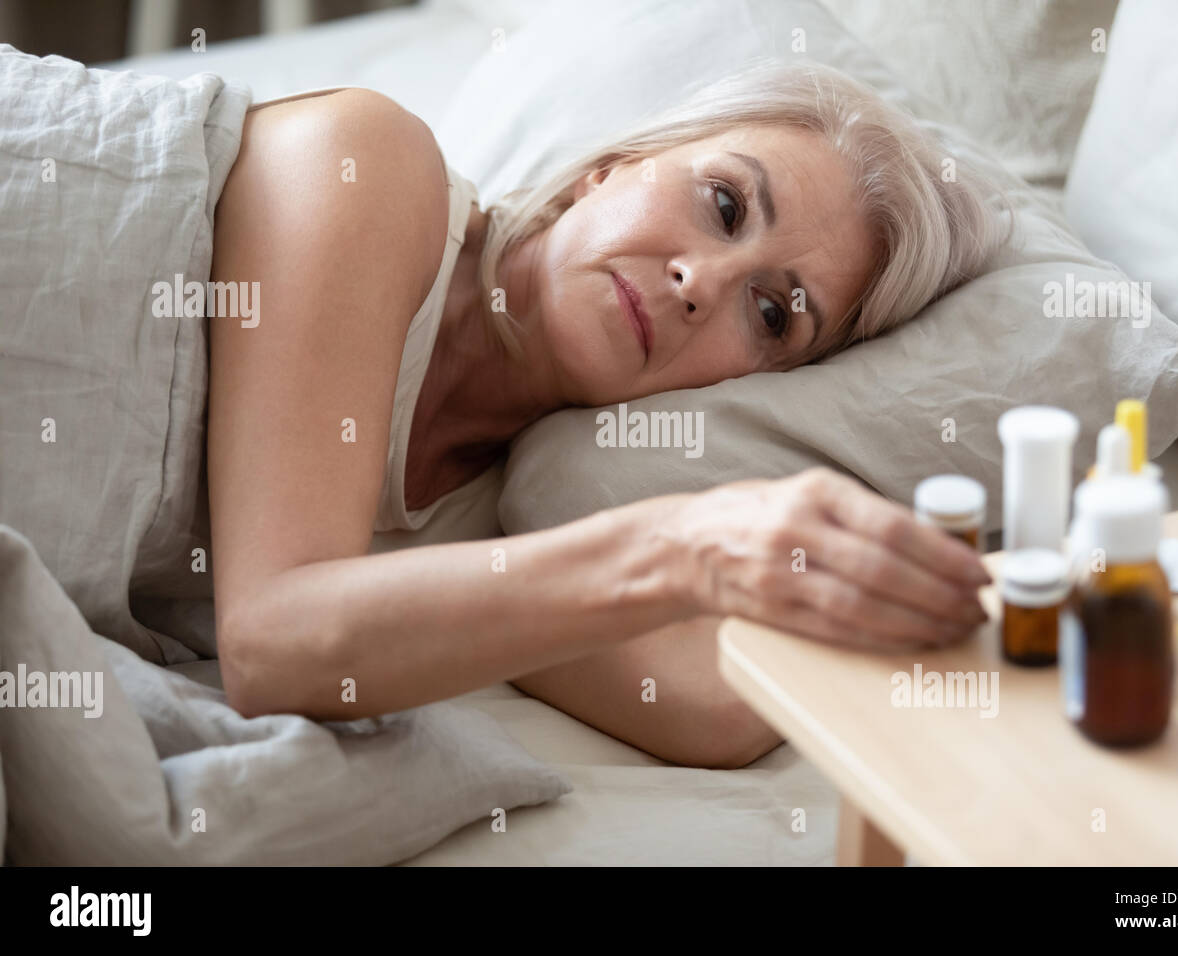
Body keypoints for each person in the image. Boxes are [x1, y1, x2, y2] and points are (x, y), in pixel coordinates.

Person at [209, 58, 1002, 767]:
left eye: (769, 315)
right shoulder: (369, 164)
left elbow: (713, 707)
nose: (701, 281)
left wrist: (975, 582)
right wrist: (683, 549)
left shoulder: (498, 526)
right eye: (724, 205)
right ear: (610, 170)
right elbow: (269, 646)